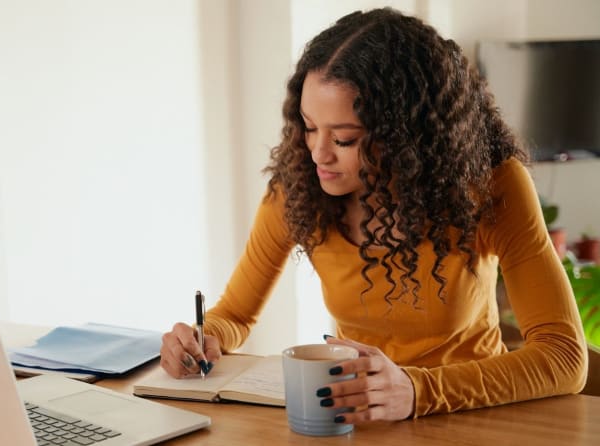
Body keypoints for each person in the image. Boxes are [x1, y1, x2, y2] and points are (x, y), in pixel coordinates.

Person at [159, 7, 588, 423]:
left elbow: (564, 355)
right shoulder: (299, 190)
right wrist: (203, 339)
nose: (317, 154)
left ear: (407, 137)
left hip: (473, 417)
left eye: (344, 139)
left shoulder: (490, 187)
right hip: (362, 418)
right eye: (309, 127)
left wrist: (418, 391)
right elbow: (234, 315)